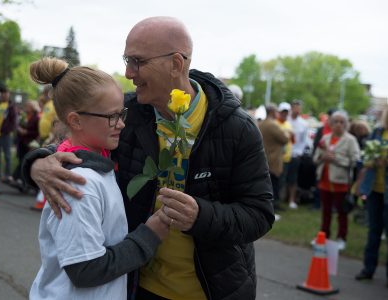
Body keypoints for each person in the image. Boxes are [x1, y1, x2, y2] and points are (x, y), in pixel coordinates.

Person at [23, 17, 274, 300]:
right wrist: (37, 163)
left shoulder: (235, 127)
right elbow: (76, 139)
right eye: (126, 59)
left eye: (138, 62)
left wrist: (200, 216)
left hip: (211, 290)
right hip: (136, 287)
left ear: (176, 64)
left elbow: (259, 214)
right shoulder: (127, 114)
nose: (128, 72)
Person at [28, 57, 169, 300]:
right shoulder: (79, 183)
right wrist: (149, 236)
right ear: (76, 120)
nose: (122, 124)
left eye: (122, 113)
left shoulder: (96, 165)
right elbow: (85, 270)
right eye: (112, 117)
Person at [313, 111, 360, 250]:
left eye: (342, 122)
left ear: (346, 125)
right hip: (324, 181)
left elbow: (355, 160)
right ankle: (323, 236)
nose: (338, 125)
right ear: (330, 124)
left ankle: (341, 238)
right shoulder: (325, 138)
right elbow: (315, 159)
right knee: (325, 212)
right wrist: (323, 158)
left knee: (342, 213)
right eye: (336, 122)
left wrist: (336, 159)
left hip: (341, 183)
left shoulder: (350, 140)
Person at [355, 108, 388, 286]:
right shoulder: (377, 132)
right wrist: (372, 161)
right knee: (373, 231)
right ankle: (368, 269)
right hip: (375, 189)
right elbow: (365, 156)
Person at [258, 104, 290, 212]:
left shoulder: (261, 124)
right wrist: (287, 132)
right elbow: (285, 139)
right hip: (273, 159)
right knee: (274, 184)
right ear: (272, 112)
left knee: (268, 184)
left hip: (264, 157)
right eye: (276, 111)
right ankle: (273, 206)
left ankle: (272, 204)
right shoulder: (272, 125)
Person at [10, 100, 40, 189]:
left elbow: (37, 131)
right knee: (21, 160)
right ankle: (20, 181)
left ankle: (18, 179)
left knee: (25, 161)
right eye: (26, 105)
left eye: (28, 106)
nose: (26, 107)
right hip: (22, 142)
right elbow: (19, 125)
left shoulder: (36, 118)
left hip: (30, 143)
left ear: (33, 108)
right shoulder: (24, 116)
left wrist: (26, 132)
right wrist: (19, 129)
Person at [0, 86, 16, 182]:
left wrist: (8, 130)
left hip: (5, 134)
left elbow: (14, 121)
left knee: (7, 156)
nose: (3, 94)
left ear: (9, 94)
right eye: (2, 93)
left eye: (5, 92)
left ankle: (8, 175)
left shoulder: (11, 106)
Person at [287, 100, 308, 207]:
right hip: (284, 154)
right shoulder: (286, 120)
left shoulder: (303, 123)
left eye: (299, 108)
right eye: (295, 108)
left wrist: (299, 152)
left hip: (295, 154)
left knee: (293, 178)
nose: (297, 110)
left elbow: (304, 141)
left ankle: (292, 200)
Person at [276, 101, 294, 208]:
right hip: (278, 158)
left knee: (282, 181)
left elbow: (292, 140)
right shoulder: (275, 123)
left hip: (286, 157)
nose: (285, 114)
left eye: (286, 112)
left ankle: (279, 201)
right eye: (283, 112)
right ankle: (275, 202)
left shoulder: (288, 124)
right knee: (276, 181)